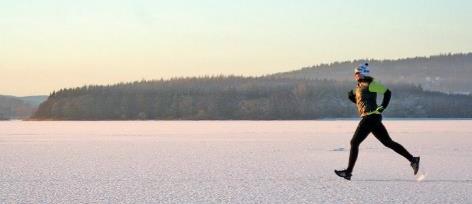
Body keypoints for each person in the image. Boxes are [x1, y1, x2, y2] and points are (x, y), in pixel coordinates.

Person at [334, 63, 420, 180]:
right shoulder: (359, 86)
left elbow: (387, 92)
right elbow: (363, 103)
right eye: (355, 74)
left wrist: (383, 106)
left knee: (354, 142)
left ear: (363, 73)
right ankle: (413, 160)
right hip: (372, 117)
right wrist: (353, 98)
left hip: (370, 117)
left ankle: (348, 172)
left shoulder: (371, 84)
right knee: (388, 142)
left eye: (358, 73)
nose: (355, 75)